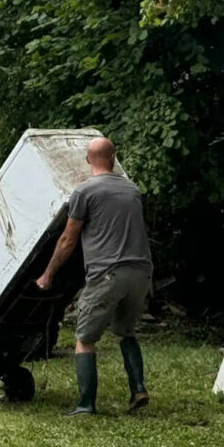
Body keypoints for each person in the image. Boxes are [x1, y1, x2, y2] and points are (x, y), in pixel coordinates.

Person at [35, 137, 152, 416]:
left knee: (85, 339)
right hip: (140, 273)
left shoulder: (85, 192)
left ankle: (86, 404)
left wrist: (48, 274)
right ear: (113, 157)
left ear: (88, 160)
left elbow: (68, 239)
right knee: (125, 331)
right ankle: (138, 389)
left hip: (107, 275)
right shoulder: (132, 189)